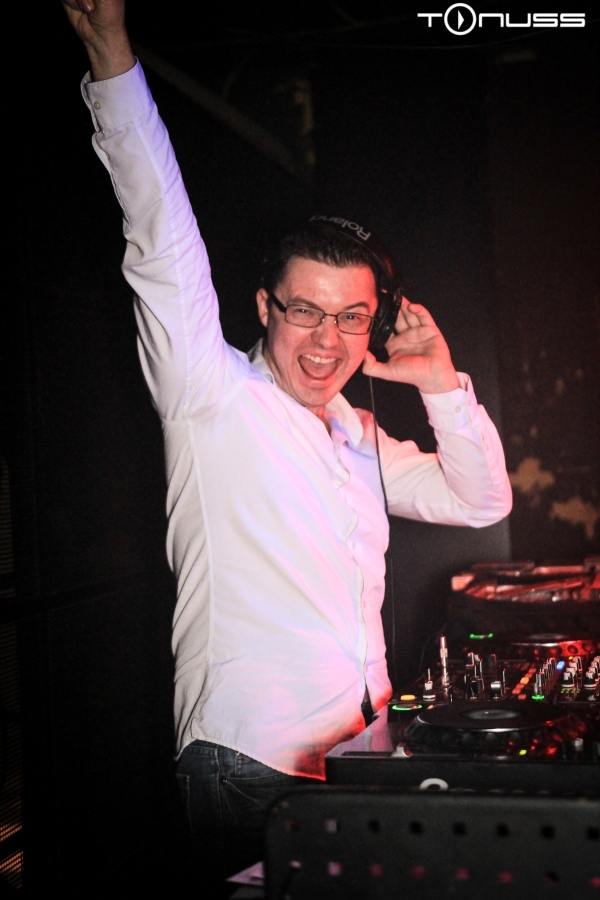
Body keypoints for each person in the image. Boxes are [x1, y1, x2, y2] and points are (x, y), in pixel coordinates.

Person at [63, 0, 512, 886]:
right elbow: (159, 234)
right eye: (304, 309)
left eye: (350, 317)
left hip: (359, 755)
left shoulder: (358, 433)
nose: (325, 340)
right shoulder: (213, 396)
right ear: (265, 307)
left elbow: (482, 500)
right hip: (251, 763)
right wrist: (111, 55)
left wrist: (439, 381)